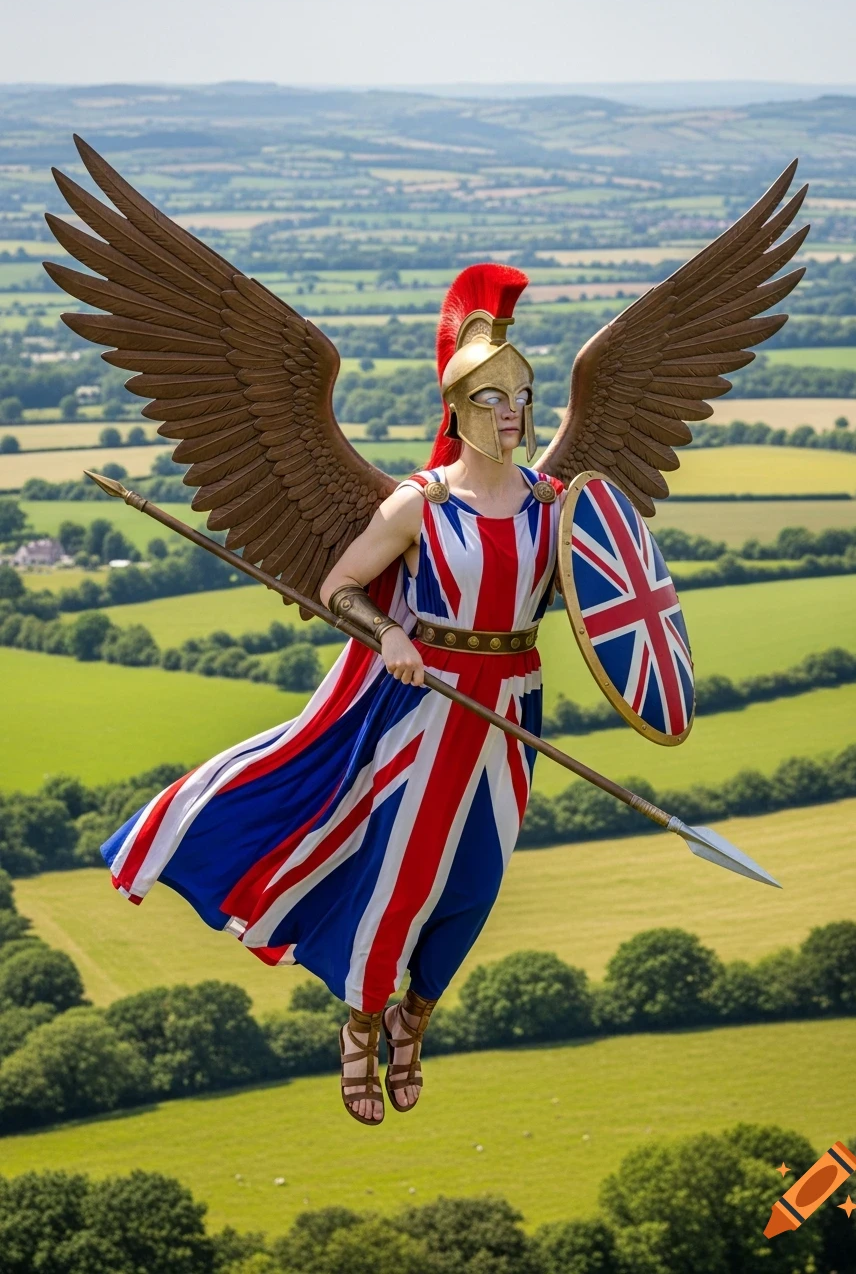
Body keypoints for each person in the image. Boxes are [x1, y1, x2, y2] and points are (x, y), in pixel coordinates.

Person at [100, 265, 563, 1126]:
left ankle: (413, 1016)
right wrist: (391, 635)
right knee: (401, 879)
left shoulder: (554, 505)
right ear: (461, 411)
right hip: (428, 709)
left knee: (473, 886)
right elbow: (342, 585)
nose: (514, 414)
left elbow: (598, 597)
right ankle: (359, 1025)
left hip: (512, 714)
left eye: (524, 397)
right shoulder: (419, 506)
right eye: (496, 399)